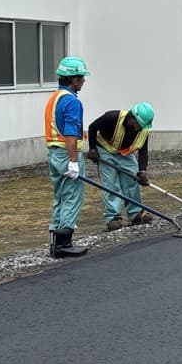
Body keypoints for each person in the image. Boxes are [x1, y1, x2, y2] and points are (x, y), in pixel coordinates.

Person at [43, 57, 90, 258]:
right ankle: (64, 243)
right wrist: (73, 161)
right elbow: (70, 133)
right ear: (73, 79)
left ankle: (55, 243)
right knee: (72, 196)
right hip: (66, 154)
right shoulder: (72, 101)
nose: (83, 81)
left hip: (54, 153)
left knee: (60, 196)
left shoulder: (54, 97)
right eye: (81, 78)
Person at [86, 103, 155, 231]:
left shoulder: (143, 130)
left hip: (125, 154)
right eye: (138, 124)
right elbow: (92, 127)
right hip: (105, 150)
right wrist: (93, 149)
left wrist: (142, 170)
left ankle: (135, 213)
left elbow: (143, 151)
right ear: (132, 118)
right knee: (111, 184)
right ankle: (113, 218)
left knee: (132, 180)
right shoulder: (112, 118)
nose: (140, 128)